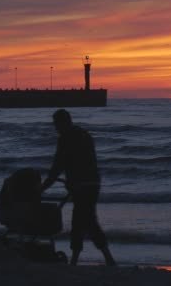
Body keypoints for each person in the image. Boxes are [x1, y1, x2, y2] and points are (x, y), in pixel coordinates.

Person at [41, 109, 116, 266]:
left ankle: (81, 260)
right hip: (93, 182)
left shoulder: (65, 138)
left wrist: (43, 188)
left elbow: (58, 165)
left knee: (81, 220)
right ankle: (104, 257)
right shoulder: (84, 134)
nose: (55, 128)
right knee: (87, 219)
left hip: (81, 185)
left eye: (56, 124)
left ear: (63, 122)